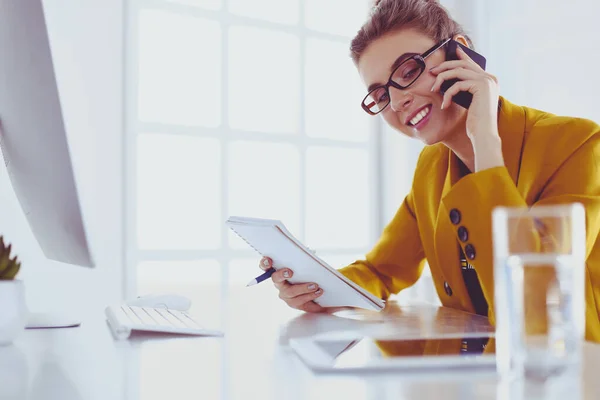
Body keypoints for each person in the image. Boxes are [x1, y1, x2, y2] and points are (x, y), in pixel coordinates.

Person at [257, 0, 600, 343]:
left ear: (459, 55)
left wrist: (484, 140)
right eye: (380, 94)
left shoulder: (578, 144)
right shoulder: (432, 168)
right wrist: (317, 290)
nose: (396, 102)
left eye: (408, 71)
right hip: (480, 374)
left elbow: (536, 305)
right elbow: (379, 271)